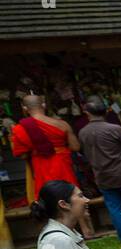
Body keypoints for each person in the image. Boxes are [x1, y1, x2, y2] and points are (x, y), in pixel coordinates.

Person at [11, 95, 93, 236]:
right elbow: (75, 146)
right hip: (62, 163)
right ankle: (86, 229)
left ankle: (53, 230)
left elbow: (22, 154)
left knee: (45, 196)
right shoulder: (62, 124)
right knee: (72, 193)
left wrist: (37, 148)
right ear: (44, 105)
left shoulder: (20, 128)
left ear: (24, 108)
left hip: (41, 165)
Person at [77, 95, 121, 244]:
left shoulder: (83, 133)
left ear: (87, 113)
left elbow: (84, 153)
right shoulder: (115, 129)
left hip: (102, 176)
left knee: (114, 208)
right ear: (106, 112)